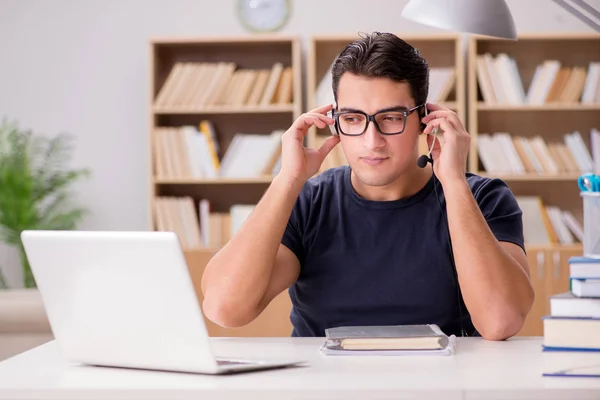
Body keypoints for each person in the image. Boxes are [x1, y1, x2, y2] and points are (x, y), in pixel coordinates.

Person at [201, 32, 534, 341]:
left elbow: (500, 321)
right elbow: (225, 309)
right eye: (353, 119)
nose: (372, 141)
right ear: (335, 122)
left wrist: (454, 182)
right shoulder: (309, 202)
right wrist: (287, 179)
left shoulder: (481, 197)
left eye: (390, 118)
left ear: (424, 120)